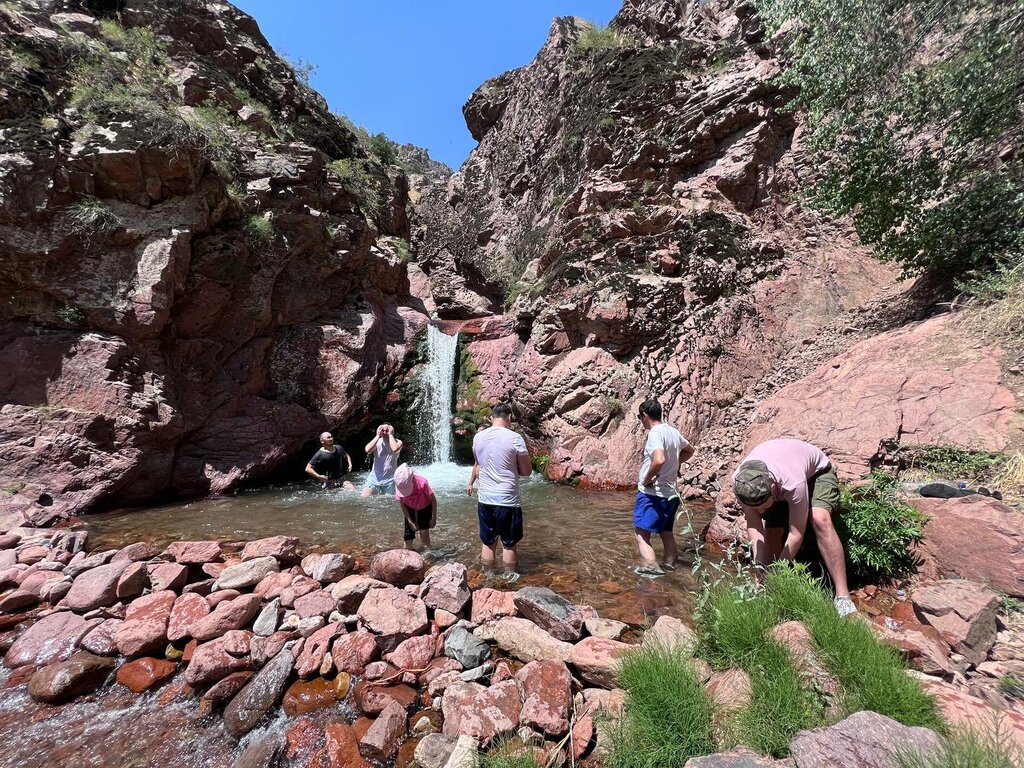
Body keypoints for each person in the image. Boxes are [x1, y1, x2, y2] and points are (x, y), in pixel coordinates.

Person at [731, 438, 856, 617]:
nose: (760, 511)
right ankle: (767, 590)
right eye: (756, 507)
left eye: (763, 505)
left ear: (772, 487)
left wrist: (778, 569)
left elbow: (796, 533)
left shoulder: (793, 482)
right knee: (772, 530)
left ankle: (843, 596)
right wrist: (759, 567)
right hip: (779, 483)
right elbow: (755, 525)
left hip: (817, 474)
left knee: (819, 518)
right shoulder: (740, 482)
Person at [466, 403, 531, 580]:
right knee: (509, 544)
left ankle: (487, 577)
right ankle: (508, 580)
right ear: (509, 417)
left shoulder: (478, 438)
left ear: (490, 417)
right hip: (507, 499)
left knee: (488, 542)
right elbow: (526, 471)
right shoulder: (515, 438)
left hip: (485, 498)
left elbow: (479, 464)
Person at [633, 399, 695, 577]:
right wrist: (674, 465)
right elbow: (690, 450)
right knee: (666, 532)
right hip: (671, 493)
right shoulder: (672, 431)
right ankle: (670, 567)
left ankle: (652, 573)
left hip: (653, 493)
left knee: (641, 534)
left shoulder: (655, 433)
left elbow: (658, 459)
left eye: (640, 417)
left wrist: (647, 479)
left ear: (645, 415)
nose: (641, 420)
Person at [394, 463, 436, 549]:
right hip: (409, 508)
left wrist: (434, 517)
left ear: (413, 479)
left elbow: (433, 500)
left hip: (425, 506)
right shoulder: (400, 485)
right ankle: (408, 550)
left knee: (424, 531)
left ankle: (427, 551)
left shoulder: (422, 483)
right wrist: (409, 520)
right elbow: (402, 503)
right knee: (408, 535)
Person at [362, 423, 403, 496]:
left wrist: (390, 434)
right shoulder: (377, 441)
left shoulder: (398, 442)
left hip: (390, 479)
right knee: (364, 498)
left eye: (387, 430)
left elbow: (395, 449)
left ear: (392, 431)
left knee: (388, 503)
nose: (384, 432)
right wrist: (377, 435)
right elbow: (367, 450)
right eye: (382, 430)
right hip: (374, 478)